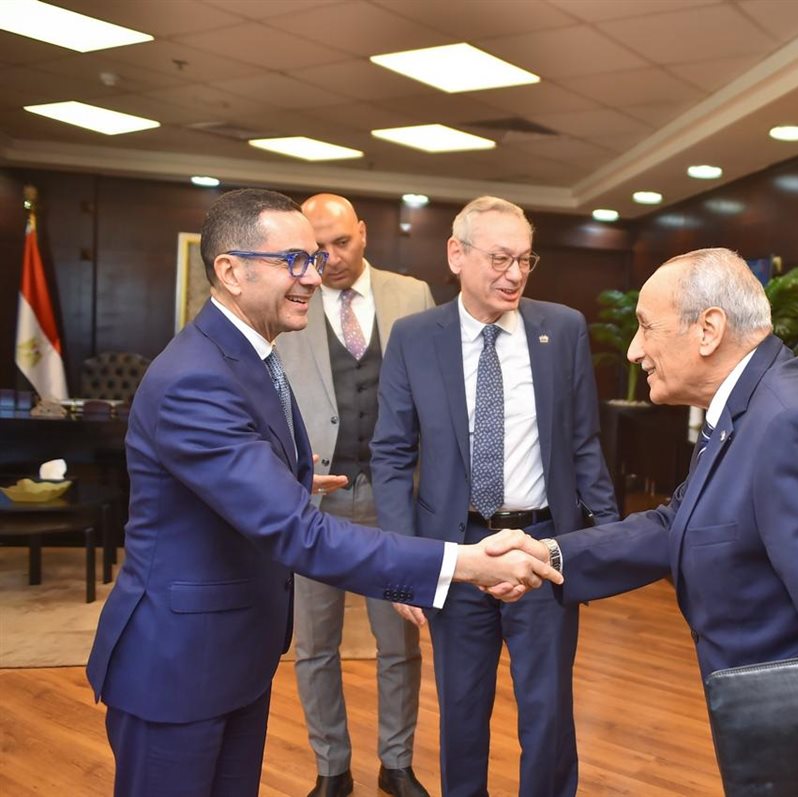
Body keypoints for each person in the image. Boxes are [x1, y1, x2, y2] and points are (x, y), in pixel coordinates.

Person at [85, 188, 560, 797]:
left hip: (231, 659)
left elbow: (224, 478)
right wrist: (463, 563)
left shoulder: (249, 357)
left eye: (313, 258)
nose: (314, 275)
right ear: (231, 271)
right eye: (295, 260)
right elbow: (297, 533)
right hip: (178, 668)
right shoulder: (195, 379)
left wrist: (281, 477)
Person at [500, 247, 798, 795]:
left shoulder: (788, 425)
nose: (634, 349)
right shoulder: (747, 406)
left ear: (708, 330)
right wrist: (552, 554)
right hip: (779, 740)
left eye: (646, 326)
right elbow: (680, 520)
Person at [371, 196, 619, 797]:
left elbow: (584, 442)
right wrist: (404, 564)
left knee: (548, 713)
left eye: (525, 260)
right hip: (455, 553)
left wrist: (606, 543)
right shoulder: (414, 337)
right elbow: (392, 454)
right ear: (456, 255)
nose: (514, 274)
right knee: (460, 713)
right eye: (500, 258)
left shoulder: (562, 328)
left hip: (542, 547)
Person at [274, 194, 435, 797]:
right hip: (314, 501)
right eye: (316, 248)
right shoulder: (290, 297)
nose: (330, 258)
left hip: (395, 500)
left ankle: (397, 763)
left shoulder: (411, 295)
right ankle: (331, 770)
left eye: (340, 243)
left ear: (363, 233)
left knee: (399, 642)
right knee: (316, 644)